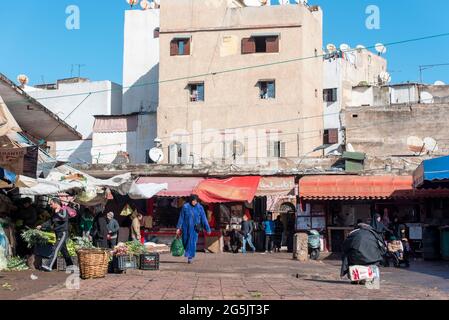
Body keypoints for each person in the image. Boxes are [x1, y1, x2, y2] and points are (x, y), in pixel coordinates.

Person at [37, 198, 73, 272]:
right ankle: (71, 267)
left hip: (63, 233)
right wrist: (41, 226)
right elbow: (50, 221)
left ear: (56, 203)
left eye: (51, 204)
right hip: (57, 233)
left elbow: (64, 218)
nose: (50, 205)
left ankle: (48, 266)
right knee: (64, 251)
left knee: (55, 248)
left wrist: (58, 213)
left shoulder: (64, 210)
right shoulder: (54, 212)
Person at [176, 195, 211, 264]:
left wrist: (207, 228)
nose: (194, 202)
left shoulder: (200, 207)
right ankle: (188, 253)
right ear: (190, 200)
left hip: (195, 228)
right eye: (193, 201)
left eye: (196, 201)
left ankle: (190, 257)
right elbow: (181, 217)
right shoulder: (185, 207)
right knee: (185, 241)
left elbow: (204, 219)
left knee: (192, 242)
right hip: (185, 227)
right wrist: (178, 228)